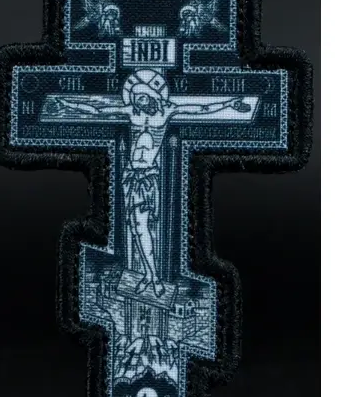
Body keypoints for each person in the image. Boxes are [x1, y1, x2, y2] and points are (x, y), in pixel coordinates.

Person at [54, 70, 251, 297]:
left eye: (142, 97)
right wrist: (68, 104)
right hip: (131, 176)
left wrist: (230, 103)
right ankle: (150, 276)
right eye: (135, 98)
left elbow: (201, 108)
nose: (139, 102)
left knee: (143, 228)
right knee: (137, 229)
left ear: (151, 95)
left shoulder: (167, 111)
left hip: (147, 178)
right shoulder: (132, 112)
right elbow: (98, 110)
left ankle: (154, 278)